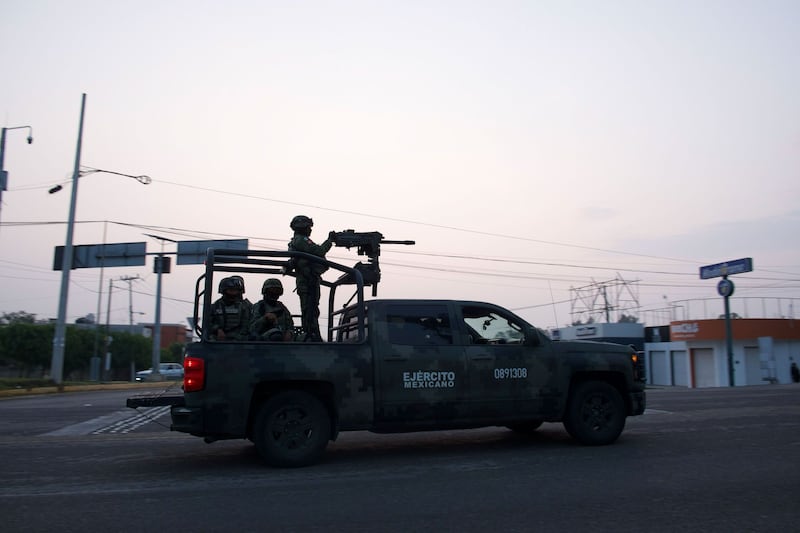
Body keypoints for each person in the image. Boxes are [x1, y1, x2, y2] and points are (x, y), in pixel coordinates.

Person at [288, 215, 336, 342]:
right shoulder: (301, 240)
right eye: (308, 227)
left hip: (309, 280)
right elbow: (319, 251)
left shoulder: (299, 240)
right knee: (310, 310)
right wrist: (330, 241)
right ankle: (310, 335)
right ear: (302, 227)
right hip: (307, 281)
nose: (310, 229)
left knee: (312, 309)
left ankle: (312, 334)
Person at [209, 276, 252, 340]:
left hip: (241, 341)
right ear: (224, 291)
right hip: (219, 340)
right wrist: (217, 329)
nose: (234, 293)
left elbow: (249, 324)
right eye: (231, 290)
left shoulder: (246, 306)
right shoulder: (215, 306)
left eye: (236, 290)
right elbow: (208, 323)